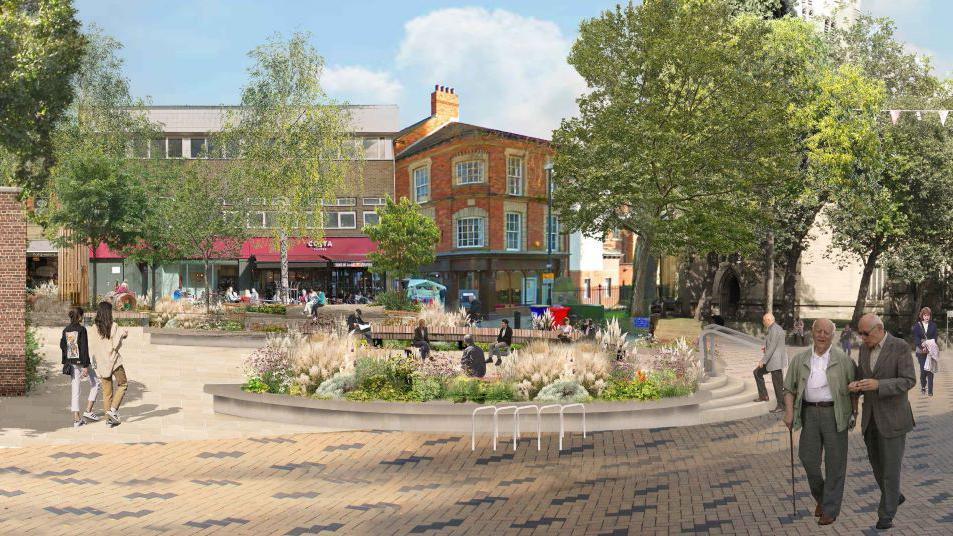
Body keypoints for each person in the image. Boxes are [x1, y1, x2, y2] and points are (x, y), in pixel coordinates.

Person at [783, 319, 858, 526]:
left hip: (835, 413)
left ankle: (830, 509)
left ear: (833, 336)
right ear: (812, 333)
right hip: (809, 413)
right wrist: (789, 413)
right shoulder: (800, 359)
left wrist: (854, 412)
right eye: (819, 331)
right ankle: (823, 498)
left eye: (827, 332)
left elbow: (854, 389)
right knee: (808, 459)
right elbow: (789, 388)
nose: (822, 335)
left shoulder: (843, 360)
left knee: (835, 463)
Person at [849, 313, 916, 530]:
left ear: (879, 329)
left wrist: (879, 385)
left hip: (894, 419)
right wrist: (856, 386)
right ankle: (894, 496)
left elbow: (908, 380)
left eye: (865, 333)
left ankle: (886, 515)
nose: (862, 338)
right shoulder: (864, 350)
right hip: (870, 419)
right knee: (877, 466)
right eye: (860, 334)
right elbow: (863, 377)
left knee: (890, 470)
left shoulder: (900, 347)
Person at [60, 307, 101, 427]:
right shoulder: (82, 329)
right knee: (96, 383)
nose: (83, 318)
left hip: (71, 364)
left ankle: (76, 419)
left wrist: (67, 359)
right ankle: (88, 411)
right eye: (82, 315)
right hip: (82, 363)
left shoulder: (66, 330)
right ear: (79, 316)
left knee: (75, 390)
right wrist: (85, 366)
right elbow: (84, 348)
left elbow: (62, 345)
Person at [90, 301, 129, 427]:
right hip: (114, 362)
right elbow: (115, 345)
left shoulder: (94, 328)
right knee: (123, 384)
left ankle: (108, 420)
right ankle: (113, 410)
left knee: (107, 393)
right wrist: (123, 335)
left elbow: (94, 347)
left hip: (102, 363)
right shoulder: (114, 326)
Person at [754, 313, 787, 413]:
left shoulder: (775, 329)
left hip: (775, 361)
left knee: (778, 384)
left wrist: (763, 360)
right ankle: (764, 396)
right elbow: (773, 345)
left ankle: (781, 406)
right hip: (773, 360)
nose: (763, 323)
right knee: (757, 373)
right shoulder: (774, 328)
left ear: (768, 320)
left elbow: (772, 347)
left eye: (764, 321)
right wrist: (766, 348)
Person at [911, 306, 938, 396]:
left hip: (931, 351)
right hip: (921, 351)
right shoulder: (917, 325)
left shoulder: (933, 325)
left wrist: (929, 344)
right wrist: (921, 345)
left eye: (928, 315)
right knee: (923, 370)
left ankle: (930, 390)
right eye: (925, 315)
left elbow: (935, 337)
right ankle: (923, 386)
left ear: (930, 316)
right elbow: (916, 337)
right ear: (922, 316)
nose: (927, 317)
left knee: (930, 370)